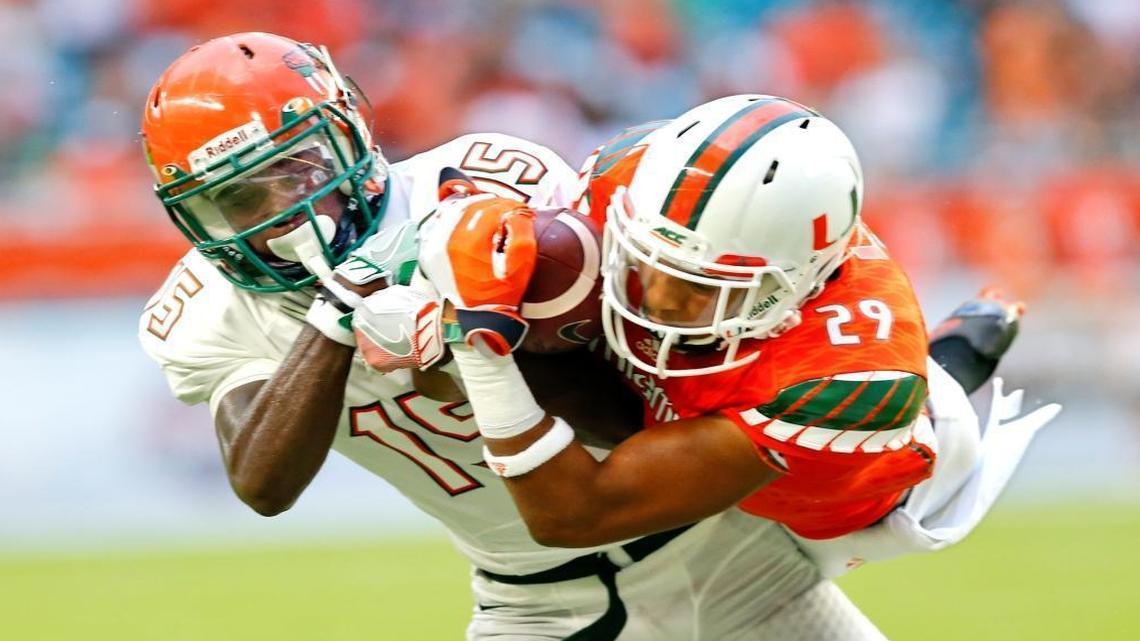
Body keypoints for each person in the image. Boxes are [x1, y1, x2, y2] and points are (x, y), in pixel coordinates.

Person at [139, 36, 894, 640]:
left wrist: (480, 337)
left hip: (721, 550)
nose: (281, 213)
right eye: (234, 199)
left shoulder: (482, 183)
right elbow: (263, 483)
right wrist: (336, 312)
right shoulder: (206, 308)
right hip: (535, 601)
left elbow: (635, 405)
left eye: (296, 171)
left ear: (348, 139)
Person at [358, 94, 1059, 579]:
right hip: (733, 377)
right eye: (647, 266)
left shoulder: (849, 381)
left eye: (698, 290)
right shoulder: (636, 169)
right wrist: (462, 261)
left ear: (793, 286)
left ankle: (960, 352)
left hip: (841, 493)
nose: (655, 302)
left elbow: (579, 511)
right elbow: (531, 265)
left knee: (931, 425)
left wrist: (475, 341)